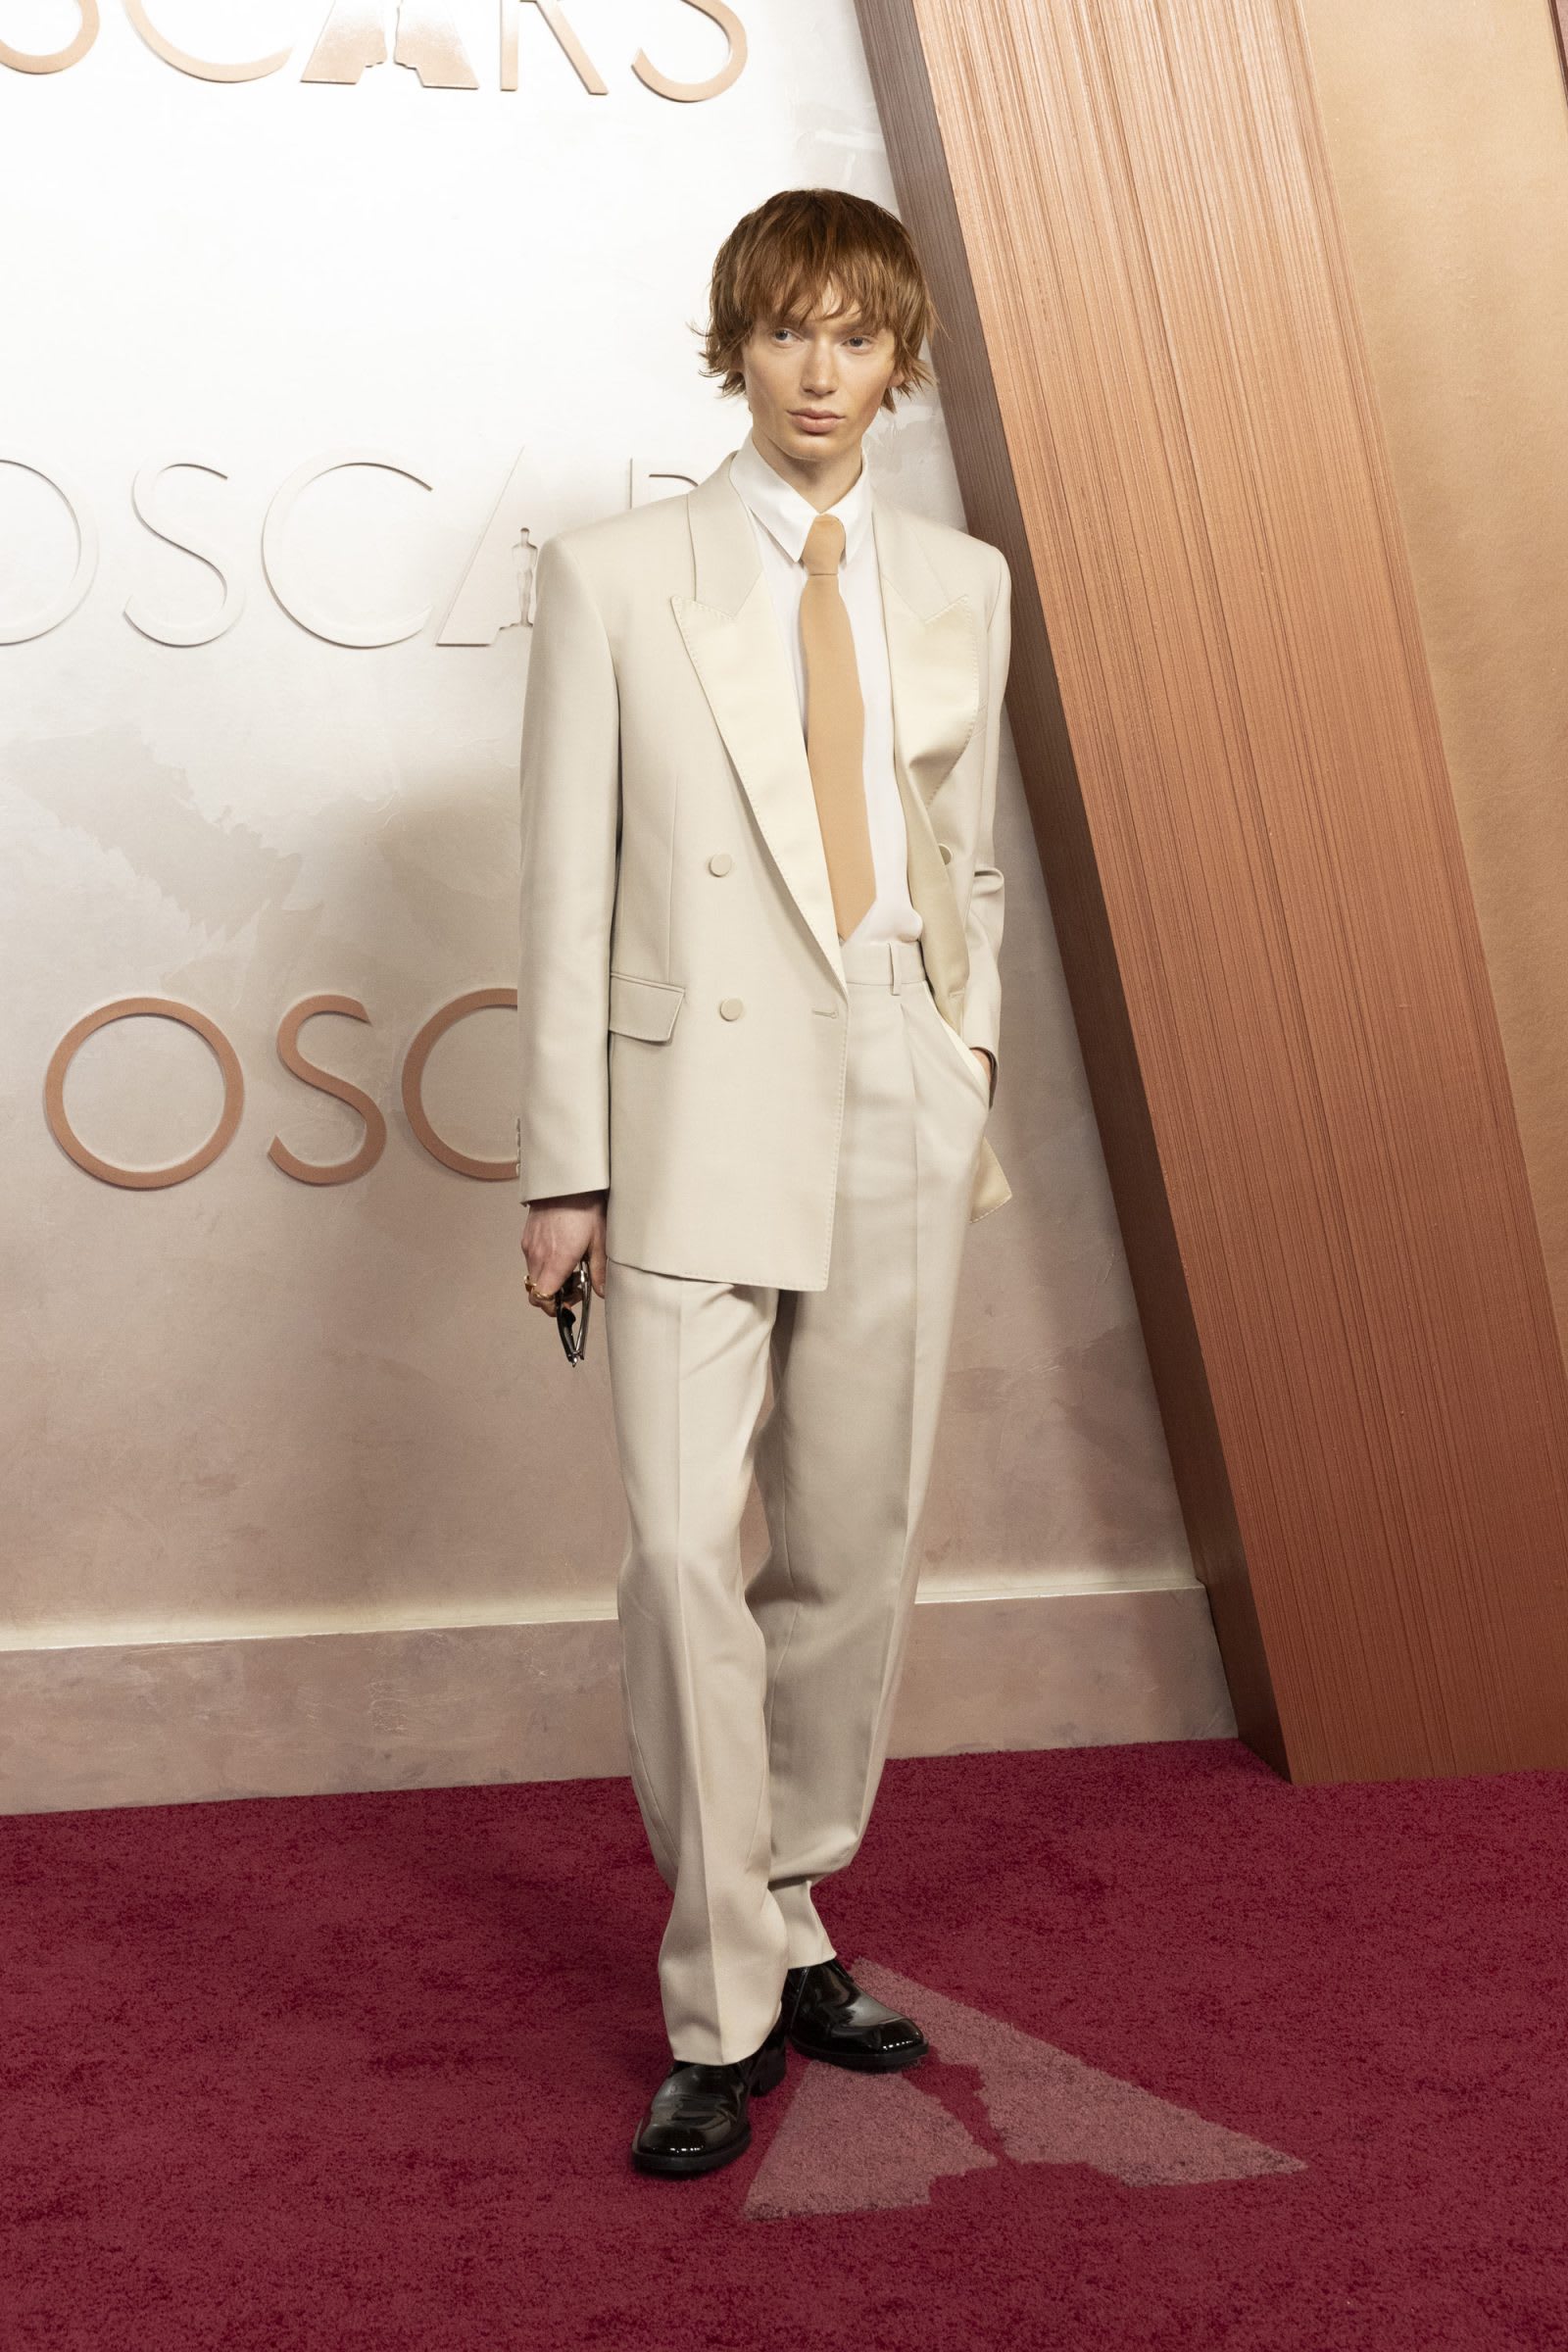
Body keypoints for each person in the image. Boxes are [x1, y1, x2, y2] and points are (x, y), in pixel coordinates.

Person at [516, 186, 1013, 2178]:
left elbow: (960, 859)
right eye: (785, 331)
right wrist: (566, 1167)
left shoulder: (963, 579)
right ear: (736, 347)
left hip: (893, 1083)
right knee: (673, 1557)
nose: (819, 370)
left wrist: (964, 1064)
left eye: (854, 335)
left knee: (849, 1545)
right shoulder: (616, 572)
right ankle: (715, 2005)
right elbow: (562, 887)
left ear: (901, 359)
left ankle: (794, 1905)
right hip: (687, 1110)